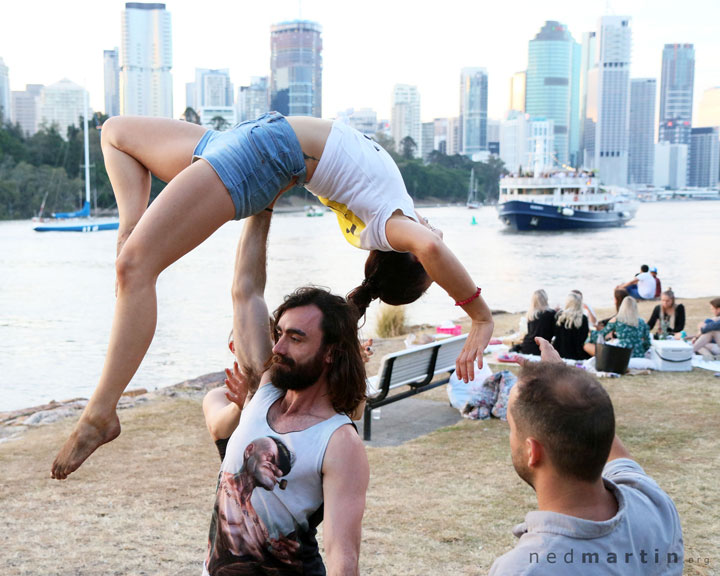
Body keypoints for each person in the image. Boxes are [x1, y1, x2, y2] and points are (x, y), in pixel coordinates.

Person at [51, 112, 493, 479]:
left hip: (262, 153)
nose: (437, 232)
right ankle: (129, 226)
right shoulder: (377, 215)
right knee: (115, 134)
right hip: (249, 138)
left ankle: (101, 413)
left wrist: (480, 317)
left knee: (135, 268)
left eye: (429, 267)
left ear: (410, 257)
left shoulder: (386, 225)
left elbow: (431, 248)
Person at [204, 209, 369, 575]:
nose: (278, 348)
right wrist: (262, 205)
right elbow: (245, 291)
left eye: (296, 338)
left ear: (330, 353)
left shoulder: (339, 441)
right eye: (279, 333)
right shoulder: (266, 389)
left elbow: (344, 555)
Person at [489, 337, 683, 575]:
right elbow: (599, 431)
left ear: (533, 452)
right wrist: (562, 377)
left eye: (512, 426)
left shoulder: (527, 569)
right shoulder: (652, 501)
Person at [204, 332, 374, 461]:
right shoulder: (218, 396)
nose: (274, 348)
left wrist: (356, 366)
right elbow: (218, 429)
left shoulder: (290, 393)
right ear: (234, 347)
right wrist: (239, 406)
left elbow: (355, 413)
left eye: (274, 340)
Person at [584, 297, 650, 358]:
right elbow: (647, 342)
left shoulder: (616, 320)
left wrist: (590, 332)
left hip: (623, 353)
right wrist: (642, 349)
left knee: (587, 345)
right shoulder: (642, 322)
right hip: (639, 354)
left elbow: (601, 334)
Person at [510, 289, 555, 356]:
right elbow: (554, 333)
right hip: (541, 348)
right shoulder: (552, 314)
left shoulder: (530, 314)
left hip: (527, 346)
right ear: (546, 299)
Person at [552, 292, 590, 360]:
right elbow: (584, 337)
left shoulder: (559, 316)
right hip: (577, 354)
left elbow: (554, 333)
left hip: (559, 352)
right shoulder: (583, 319)